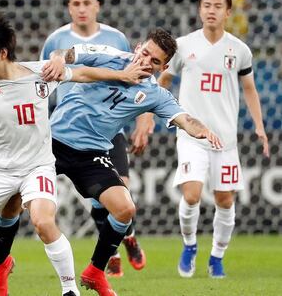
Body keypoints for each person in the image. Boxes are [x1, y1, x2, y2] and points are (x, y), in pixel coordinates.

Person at [0, 11, 147, 296]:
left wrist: (123, 75)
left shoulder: (40, 74)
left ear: (2, 53)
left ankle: (69, 290)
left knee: (42, 221)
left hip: (37, 167)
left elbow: (85, 74)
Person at [42, 28, 222, 296]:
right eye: (146, 53)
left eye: (156, 62)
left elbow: (184, 118)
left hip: (91, 154)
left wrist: (202, 129)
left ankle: (95, 272)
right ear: (138, 47)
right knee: (12, 203)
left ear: (164, 67)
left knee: (125, 209)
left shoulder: (154, 94)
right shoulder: (110, 56)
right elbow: (66, 54)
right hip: (53, 142)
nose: (147, 62)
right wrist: (58, 58)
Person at [157, 0, 269, 279]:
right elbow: (164, 79)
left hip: (226, 141)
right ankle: (190, 245)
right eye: (206, 5)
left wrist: (259, 125)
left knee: (225, 200)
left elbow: (250, 89)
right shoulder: (183, 45)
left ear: (228, 12)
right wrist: (153, 112)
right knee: (192, 194)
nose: (211, 10)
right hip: (192, 136)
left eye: (218, 6)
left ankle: (217, 257)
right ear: (199, 9)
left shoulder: (240, 50)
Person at [40, 0, 150, 277]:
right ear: (69, 7)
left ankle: (128, 237)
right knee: (95, 199)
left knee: (120, 189)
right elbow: (44, 81)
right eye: (76, 3)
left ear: (97, 5)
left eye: (87, 2)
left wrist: (143, 122)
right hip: (69, 131)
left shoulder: (115, 38)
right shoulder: (56, 40)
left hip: (109, 128)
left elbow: (137, 78)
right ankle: (111, 254)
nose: (81, 8)